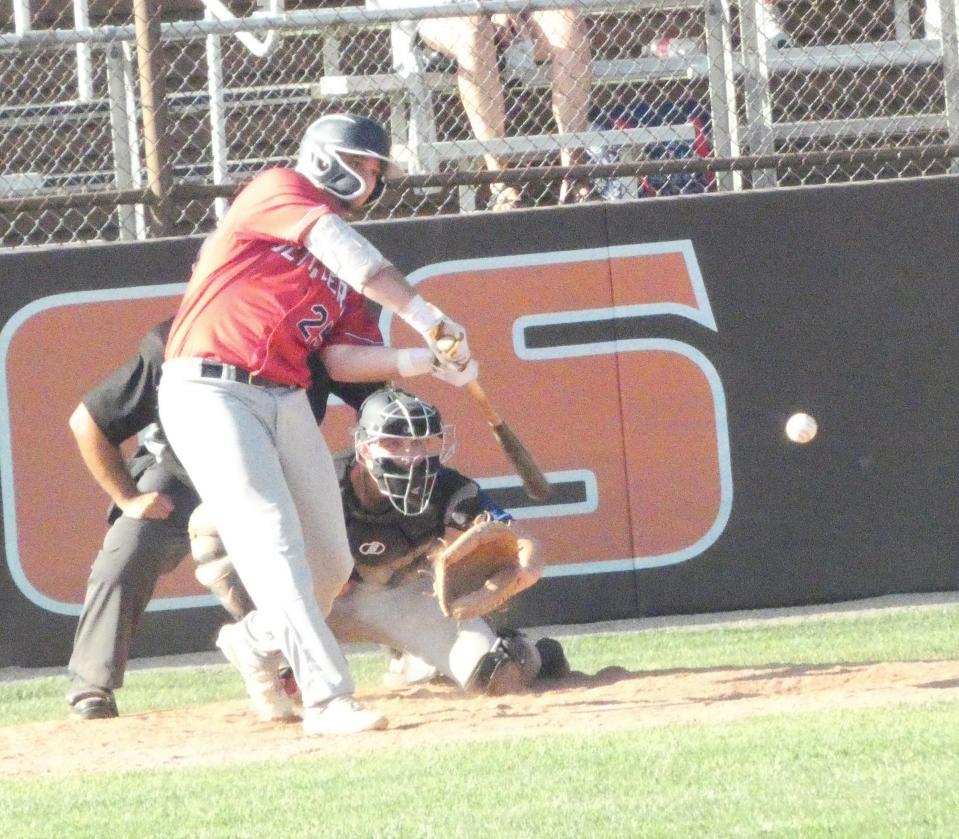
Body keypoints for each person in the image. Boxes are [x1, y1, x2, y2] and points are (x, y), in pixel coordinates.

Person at [157, 112, 480, 737]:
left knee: (330, 564)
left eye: (374, 170)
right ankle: (328, 699)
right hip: (208, 388)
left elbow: (339, 358)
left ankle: (253, 644)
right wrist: (426, 313)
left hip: (283, 393)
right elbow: (344, 248)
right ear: (326, 158)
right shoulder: (279, 189)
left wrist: (426, 361)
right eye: (361, 165)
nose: (369, 179)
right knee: (272, 539)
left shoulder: (345, 274)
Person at [63, 317, 383, 720]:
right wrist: (128, 497)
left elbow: (383, 407)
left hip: (269, 475)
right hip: (180, 475)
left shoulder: (304, 341)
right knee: (129, 548)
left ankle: (284, 663)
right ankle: (92, 683)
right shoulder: (173, 341)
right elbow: (88, 421)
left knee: (304, 553)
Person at [189, 387, 569, 720]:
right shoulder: (321, 481)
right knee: (212, 528)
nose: (410, 456)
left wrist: (523, 573)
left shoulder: (444, 487)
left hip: (396, 597)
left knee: (500, 676)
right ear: (365, 449)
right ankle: (257, 641)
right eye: (395, 443)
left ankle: (428, 658)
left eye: (420, 443)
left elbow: (523, 540)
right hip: (314, 600)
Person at [416, 10, 593, 208]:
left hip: (520, 10)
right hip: (445, 12)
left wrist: (511, 8)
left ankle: (574, 174)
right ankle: (500, 180)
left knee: (570, 25)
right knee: (475, 31)